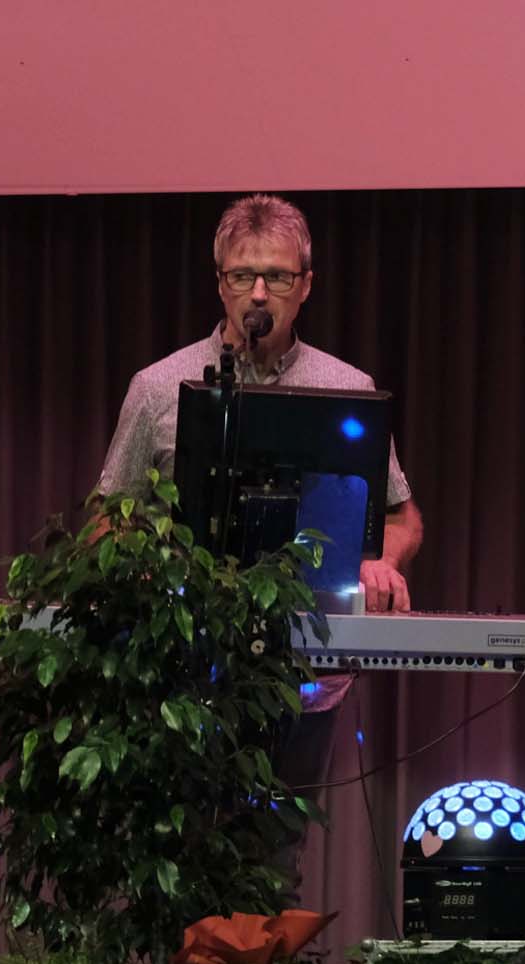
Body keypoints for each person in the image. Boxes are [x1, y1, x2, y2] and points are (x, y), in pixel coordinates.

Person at [94, 193, 424, 893]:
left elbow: (401, 517)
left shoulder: (347, 387)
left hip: (305, 674)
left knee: (275, 859)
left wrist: (382, 560)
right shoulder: (159, 387)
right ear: (220, 284)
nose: (260, 292)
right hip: (182, 669)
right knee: (178, 856)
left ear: (306, 286)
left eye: (277, 275)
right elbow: (105, 517)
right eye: (243, 275)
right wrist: (139, 566)